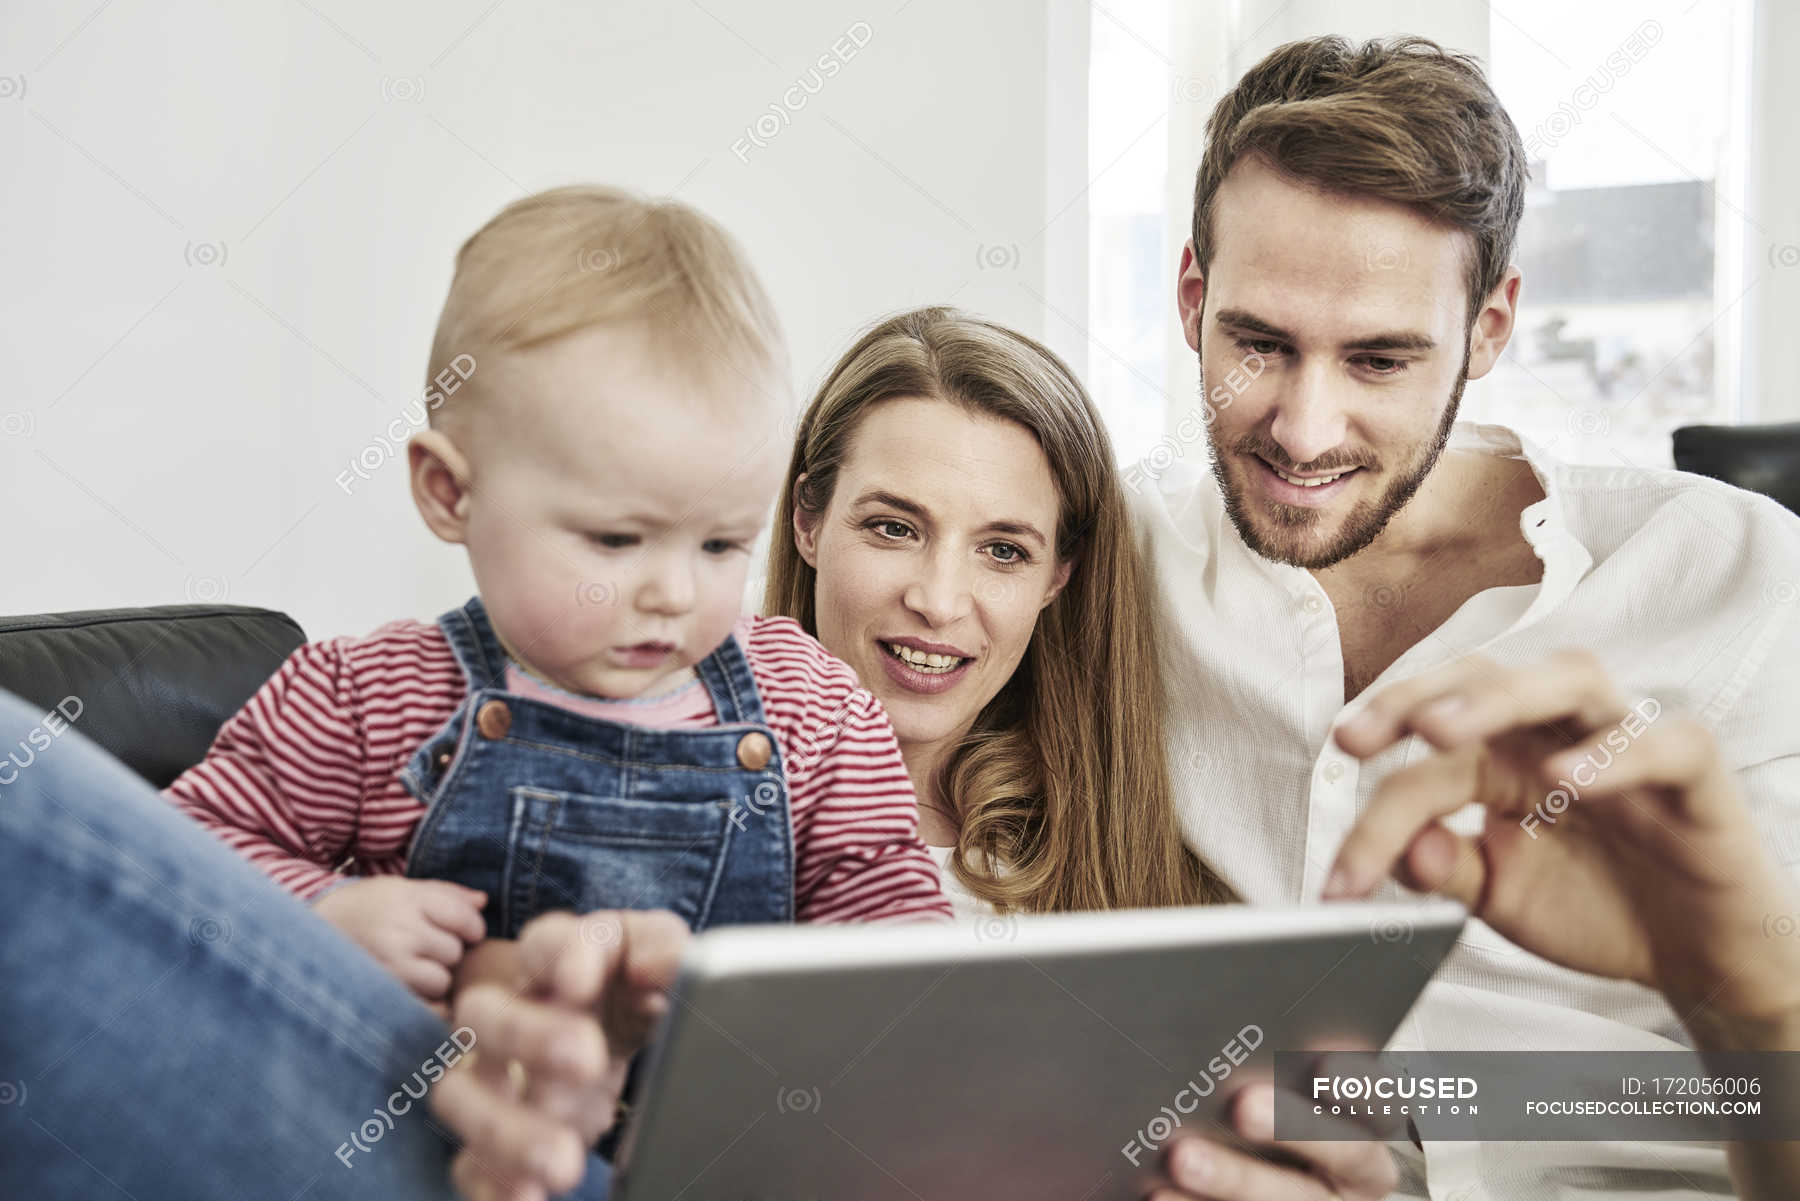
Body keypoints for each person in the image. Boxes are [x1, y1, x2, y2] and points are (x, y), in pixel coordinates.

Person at [1128, 34, 1800, 1200]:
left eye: (1382, 360)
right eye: (1260, 343)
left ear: (1491, 329)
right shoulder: (1117, 572)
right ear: (1193, 297)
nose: (1301, 429)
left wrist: (1750, 997)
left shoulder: (1738, 578)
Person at [161, 184, 950, 1016]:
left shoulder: (813, 708)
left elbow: (891, 923)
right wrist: (325, 912)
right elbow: (178, 858)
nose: (674, 592)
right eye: (616, 540)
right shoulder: (370, 698)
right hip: (437, 1121)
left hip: (715, 1133)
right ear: (449, 492)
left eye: (721, 544)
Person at [765, 305, 1232, 914]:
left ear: (1058, 575)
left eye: (1004, 551)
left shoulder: (1108, 859)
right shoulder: (669, 795)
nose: (938, 602)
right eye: (893, 528)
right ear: (808, 522)